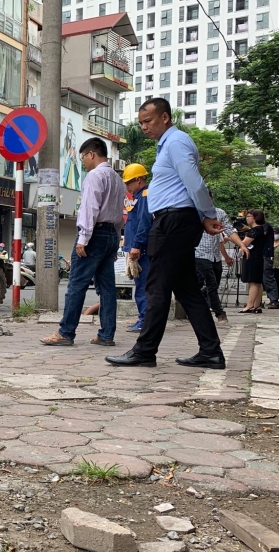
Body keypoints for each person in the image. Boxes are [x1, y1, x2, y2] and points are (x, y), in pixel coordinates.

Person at [106, 98, 226, 370]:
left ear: (165, 117)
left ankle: (145, 351)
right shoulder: (168, 145)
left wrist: (208, 215)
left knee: (156, 286)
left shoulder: (176, 142)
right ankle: (211, 351)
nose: (144, 127)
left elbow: (195, 183)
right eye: (141, 123)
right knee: (187, 290)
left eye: (148, 121)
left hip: (174, 220)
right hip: (174, 220)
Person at [41, 138, 125, 347]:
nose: (83, 163)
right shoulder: (117, 179)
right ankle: (106, 334)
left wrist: (83, 238)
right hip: (111, 234)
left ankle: (66, 332)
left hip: (94, 234)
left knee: (76, 284)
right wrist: (114, 241)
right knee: (107, 288)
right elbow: (119, 213)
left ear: (91, 154)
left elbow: (90, 208)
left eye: (83, 158)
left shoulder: (94, 176)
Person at [195, 197, 247, 323]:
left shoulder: (220, 213)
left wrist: (241, 245)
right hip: (199, 253)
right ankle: (220, 313)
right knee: (211, 284)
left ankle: (195, 301)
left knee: (213, 285)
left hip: (215, 255)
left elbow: (229, 230)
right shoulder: (194, 212)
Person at [122, 164, 152, 333]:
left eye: (129, 182)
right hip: (137, 247)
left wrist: (136, 245)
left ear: (138, 180)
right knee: (140, 285)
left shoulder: (145, 196)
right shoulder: (139, 196)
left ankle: (145, 321)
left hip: (141, 249)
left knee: (142, 287)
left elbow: (144, 223)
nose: (127, 186)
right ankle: (143, 318)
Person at [236, 209, 268, 313]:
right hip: (258, 257)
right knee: (257, 282)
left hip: (252, 257)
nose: (246, 218)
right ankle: (256, 305)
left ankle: (249, 305)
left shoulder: (254, 230)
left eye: (249, 216)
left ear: (255, 218)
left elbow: (243, 244)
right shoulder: (260, 229)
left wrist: (232, 238)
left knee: (253, 282)